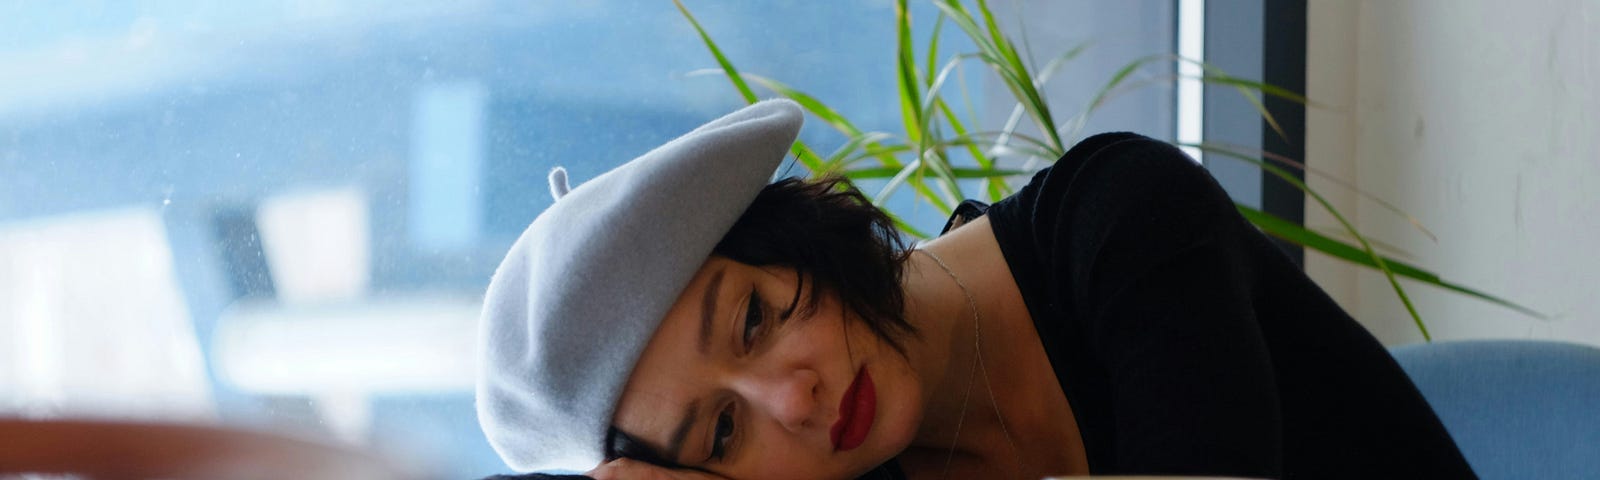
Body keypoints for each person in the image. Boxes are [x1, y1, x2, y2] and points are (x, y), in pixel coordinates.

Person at [475, 100, 1477, 479]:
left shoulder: (1118, 221)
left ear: (800, 237)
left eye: (752, 318)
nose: (794, 394)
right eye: (722, 437)